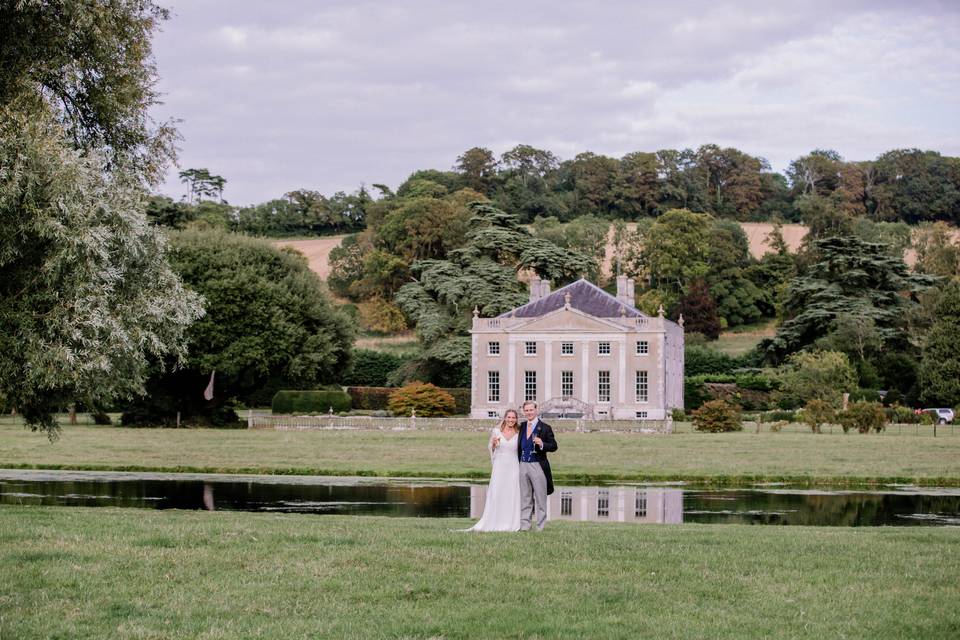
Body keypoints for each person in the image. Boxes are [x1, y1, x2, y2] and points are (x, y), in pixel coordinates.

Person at [466, 409, 521, 532]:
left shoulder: (519, 433)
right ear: (505, 418)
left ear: (516, 419)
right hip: (500, 466)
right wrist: (494, 445)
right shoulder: (496, 431)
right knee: (497, 492)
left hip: (513, 466)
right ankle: (494, 521)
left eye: (513, 418)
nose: (511, 420)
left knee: (512, 493)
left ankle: (511, 522)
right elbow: (490, 447)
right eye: (509, 417)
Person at [517, 400, 558, 531]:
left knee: (540, 498)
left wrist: (542, 444)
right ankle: (525, 526)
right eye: (526, 410)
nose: (529, 412)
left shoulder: (545, 427)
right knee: (525, 497)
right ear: (524, 412)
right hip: (523, 464)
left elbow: (554, 446)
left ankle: (540, 527)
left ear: (536, 410)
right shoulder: (522, 426)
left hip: (538, 465)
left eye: (531, 410)